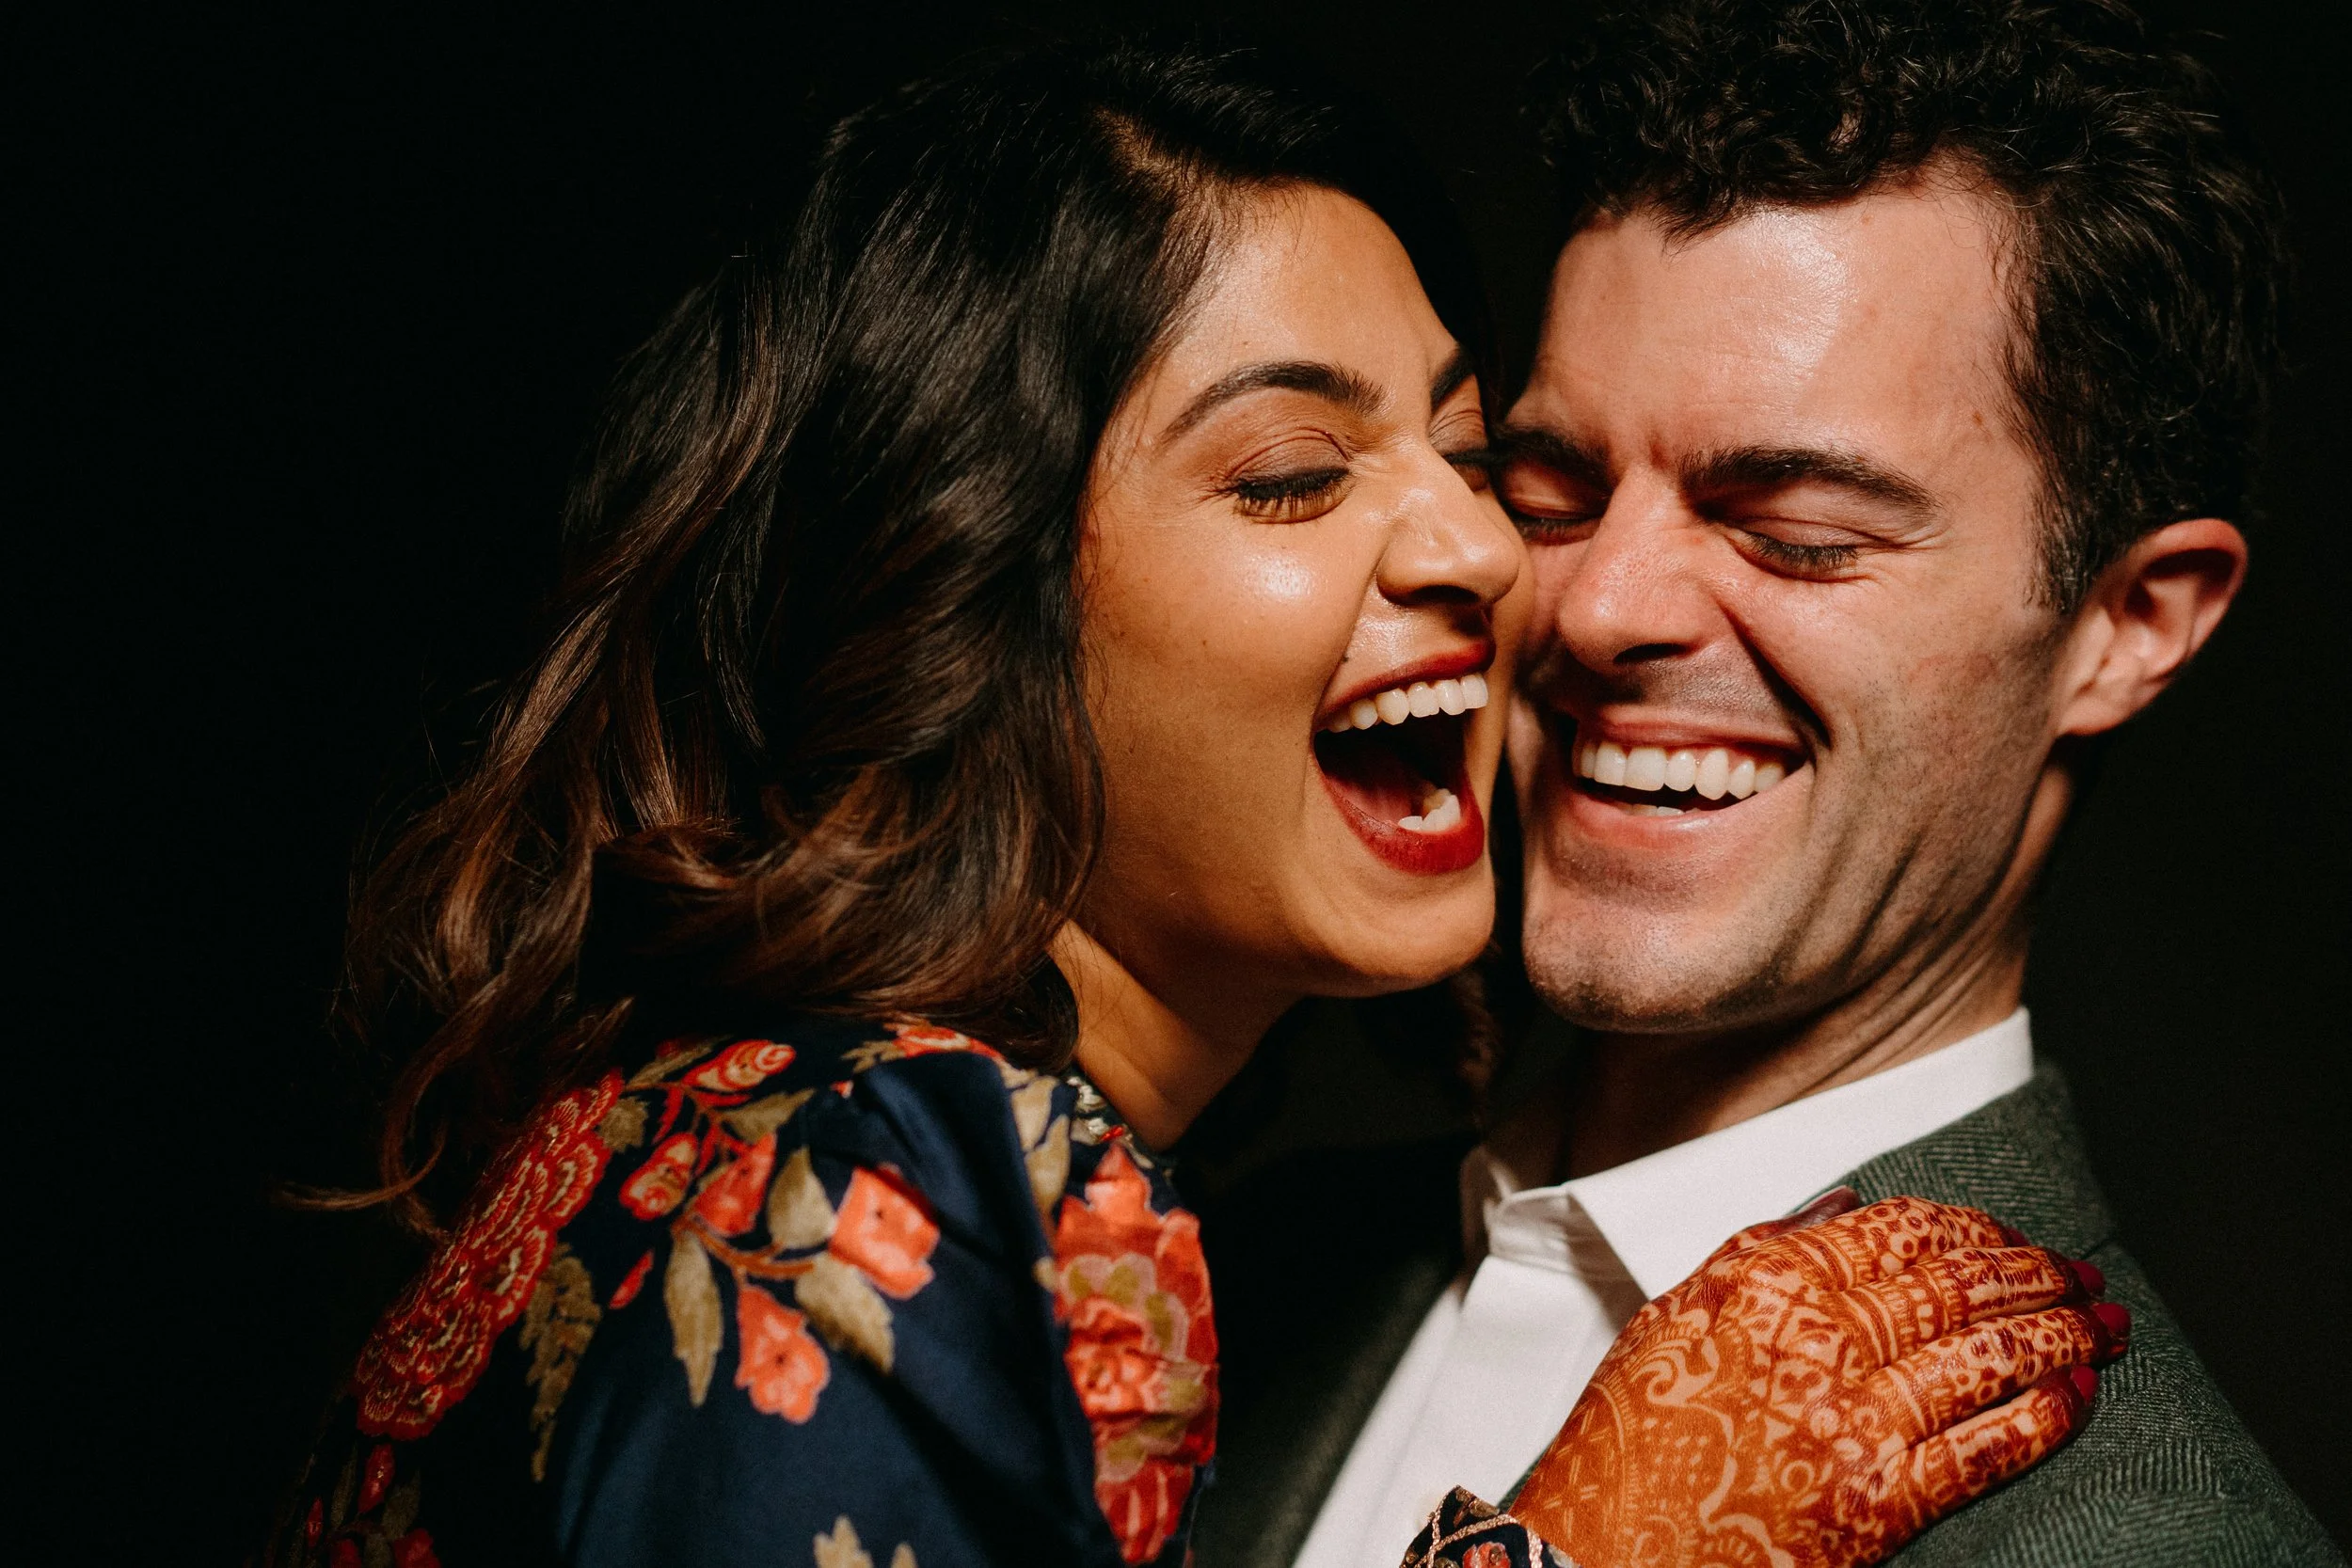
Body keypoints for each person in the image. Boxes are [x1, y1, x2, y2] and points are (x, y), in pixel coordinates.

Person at [267, 38, 2122, 1568]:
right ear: (968, 595)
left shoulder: (744, 1121)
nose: (1492, 552)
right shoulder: (889, 1185)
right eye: (1294, 475)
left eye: (1472, 455)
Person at [1199, 3, 2341, 1566]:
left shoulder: (2145, 1540)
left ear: (2128, 624)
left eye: (1797, 531)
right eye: (1549, 492)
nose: (1599, 609)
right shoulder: (1248, 1259)